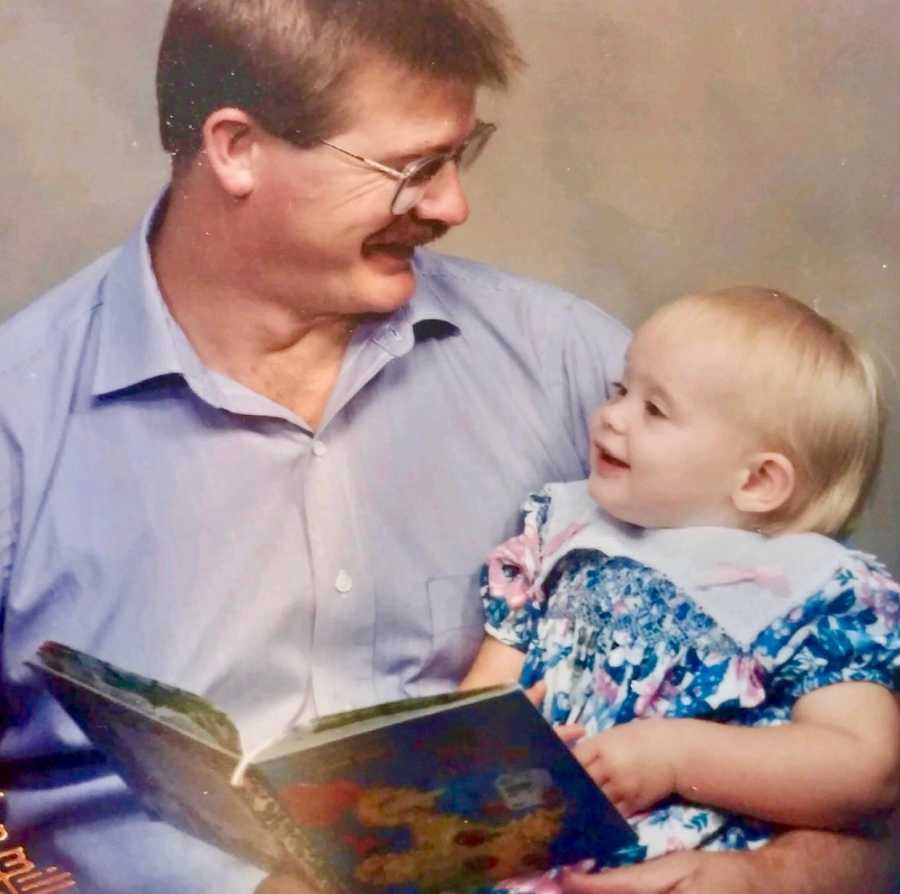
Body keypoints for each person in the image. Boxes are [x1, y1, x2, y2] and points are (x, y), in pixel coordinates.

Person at [0, 1, 894, 892]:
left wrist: (767, 877)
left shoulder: (577, 370)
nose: (454, 205)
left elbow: (848, 771)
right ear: (236, 148)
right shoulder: (19, 418)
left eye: (460, 157)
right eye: (410, 167)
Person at [461, 288, 900, 888]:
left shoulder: (814, 585)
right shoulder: (562, 527)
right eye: (621, 391)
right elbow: (484, 693)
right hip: (523, 848)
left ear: (759, 481)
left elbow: (866, 770)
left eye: (655, 410)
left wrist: (675, 758)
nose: (612, 415)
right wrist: (472, 758)